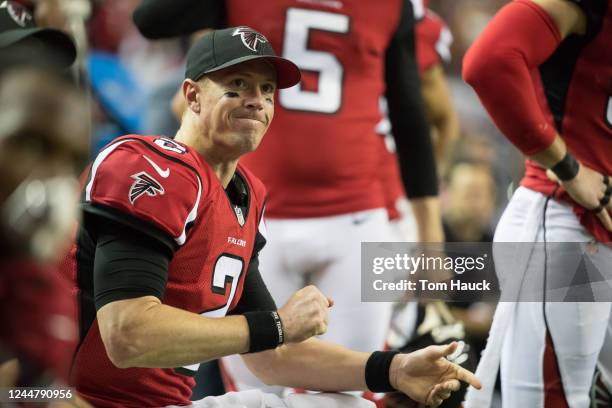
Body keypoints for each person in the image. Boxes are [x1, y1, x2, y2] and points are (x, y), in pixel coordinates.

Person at [59, 26, 480, 408]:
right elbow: (126, 335)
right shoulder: (151, 166)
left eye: (266, 89)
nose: (255, 100)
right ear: (191, 96)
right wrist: (275, 325)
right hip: (70, 397)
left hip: (162, 404)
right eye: (236, 85)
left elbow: (272, 357)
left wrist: (394, 370)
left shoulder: (244, 195)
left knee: (350, 405)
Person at [132, 1, 444, 397]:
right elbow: (152, 20)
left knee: (352, 388)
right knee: (254, 386)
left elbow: (410, 114)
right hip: (250, 216)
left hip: (359, 216)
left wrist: (431, 239)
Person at [462, 0, 611, 406]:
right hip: (570, 226)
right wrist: (567, 165)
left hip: (593, 237)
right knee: (551, 399)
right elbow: (489, 60)